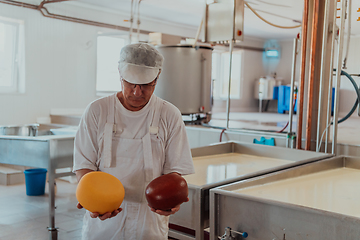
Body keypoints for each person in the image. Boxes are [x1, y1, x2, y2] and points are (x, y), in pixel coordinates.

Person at [73, 43, 195, 240]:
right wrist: (91, 199)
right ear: (120, 74)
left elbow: (174, 172)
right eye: (130, 83)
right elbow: (84, 165)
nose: (137, 92)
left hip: (149, 221)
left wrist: (172, 199)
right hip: (103, 221)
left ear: (158, 77)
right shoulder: (97, 111)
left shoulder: (169, 114)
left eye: (147, 84)